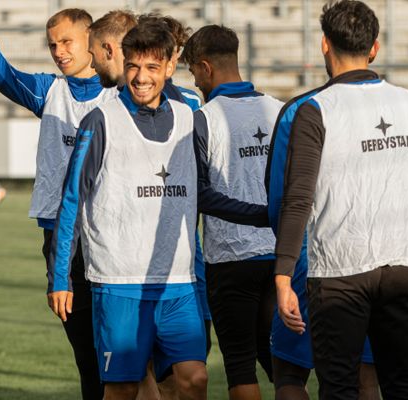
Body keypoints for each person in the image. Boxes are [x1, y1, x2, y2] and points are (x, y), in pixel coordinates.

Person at [49, 20, 266, 400]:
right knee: (122, 389)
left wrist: (263, 214)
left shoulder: (189, 119)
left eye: (152, 67)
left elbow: (203, 195)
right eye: (133, 66)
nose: (141, 77)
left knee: (195, 379)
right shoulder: (100, 122)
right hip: (119, 283)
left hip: (178, 283)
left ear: (169, 67)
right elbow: (71, 200)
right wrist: (61, 277)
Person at [268, 1, 408, 399]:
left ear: (325, 45)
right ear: (374, 47)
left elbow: (297, 199)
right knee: (402, 383)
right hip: (398, 267)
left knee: (339, 387)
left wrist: (282, 275)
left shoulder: (315, 108)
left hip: (338, 273)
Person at [0, 2, 117, 399]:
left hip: (114, 232)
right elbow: (6, 78)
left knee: (123, 351)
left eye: (67, 41)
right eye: (52, 45)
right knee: (85, 352)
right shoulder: (50, 90)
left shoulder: (120, 96)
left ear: (92, 41)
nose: (59, 51)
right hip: (60, 237)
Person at [181, 24, 283, 400]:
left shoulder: (203, 118)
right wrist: (271, 217)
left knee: (240, 365)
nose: (194, 83)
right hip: (281, 258)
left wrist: (255, 215)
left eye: (193, 73)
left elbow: (201, 196)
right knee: (284, 369)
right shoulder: (280, 110)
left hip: (230, 260)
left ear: (206, 67)